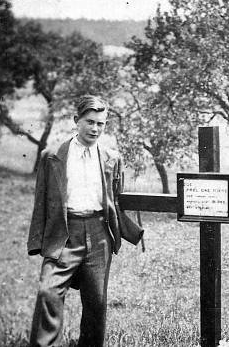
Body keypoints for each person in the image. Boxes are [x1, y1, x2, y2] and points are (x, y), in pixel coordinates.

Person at [27, 95, 143, 347]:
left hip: (99, 234)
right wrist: (37, 242)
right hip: (64, 234)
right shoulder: (52, 155)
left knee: (96, 303)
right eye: (89, 122)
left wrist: (127, 232)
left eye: (101, 124)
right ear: (75, 121)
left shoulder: (112, 157)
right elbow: (41, 201)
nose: (95, 129)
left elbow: (117, 200)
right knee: (48, 292)